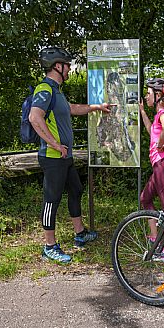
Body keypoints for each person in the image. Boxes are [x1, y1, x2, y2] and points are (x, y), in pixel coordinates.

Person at [29, 46, 114, 263]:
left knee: (76, 189)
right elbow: (35, 117)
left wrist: (97, 107)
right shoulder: (44, 89)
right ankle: (49, 246)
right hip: (52, 157)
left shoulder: (56, 91)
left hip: (64, 157)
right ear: (58, 66)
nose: (69, 69)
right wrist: (55, 144)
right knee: (51, 200)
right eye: (67, 65)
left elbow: (72, 108)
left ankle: (80, 233)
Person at [139, 78, 164, 261]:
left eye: (149, 93)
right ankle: (155, 238)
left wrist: (161, 145)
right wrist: (143, 112)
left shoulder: (163, 112)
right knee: (145, 198)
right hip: (158, 165)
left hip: (163, 164)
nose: (146, 96)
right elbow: (152, 131)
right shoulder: (159, 114)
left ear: (158, 95)